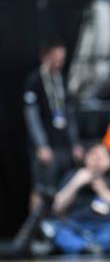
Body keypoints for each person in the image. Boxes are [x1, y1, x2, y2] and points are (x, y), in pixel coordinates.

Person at [52, 143, 110, 254]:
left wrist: (104, 192)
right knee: (56, 230)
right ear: (85, 159)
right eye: (93, 156)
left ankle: (87, 248)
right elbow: (57, 208)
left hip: (106, 228)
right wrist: (75, 184)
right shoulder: (73, 175)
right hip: (75, 227)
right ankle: (85, 248)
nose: (97, 161)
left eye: (101, 157)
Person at [23, 40, 83, 196]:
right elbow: (32, 116)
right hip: (46, 146)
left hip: (63, 145)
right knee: (41, 188)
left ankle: (60, 220)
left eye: (61, 60)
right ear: (45, 57)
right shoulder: (34, 80)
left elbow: (69, 114)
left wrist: (75, 142)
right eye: (55, 59)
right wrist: (41, 145)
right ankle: (36, 220)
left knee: (63, 187)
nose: (58, 63)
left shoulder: (62, 79)